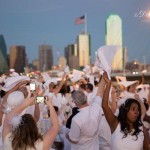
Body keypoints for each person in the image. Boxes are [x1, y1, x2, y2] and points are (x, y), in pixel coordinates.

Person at [102, 71, 150, 150]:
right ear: (125, 111)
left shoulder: (142, 130)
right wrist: (108, 85)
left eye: (138, 109)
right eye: (133, 109)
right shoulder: (115, 124)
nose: (137, 111)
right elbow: (104, 106)